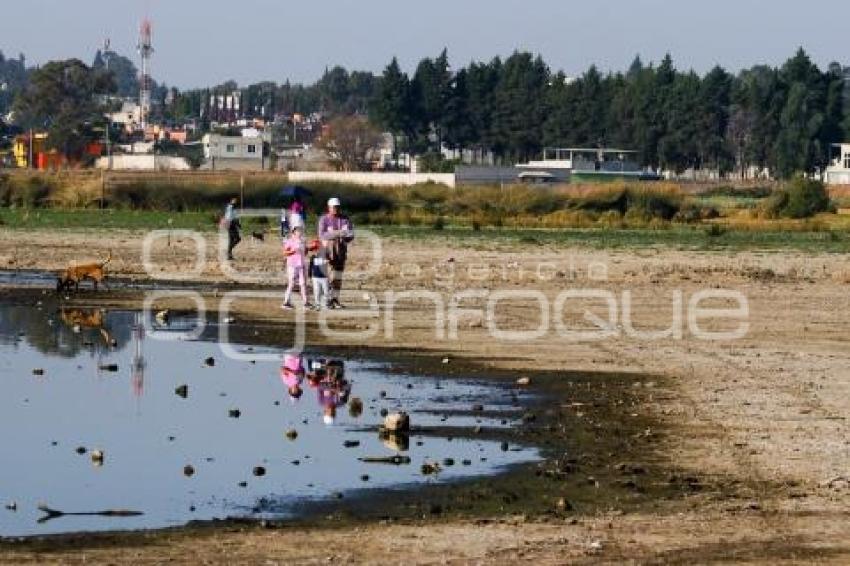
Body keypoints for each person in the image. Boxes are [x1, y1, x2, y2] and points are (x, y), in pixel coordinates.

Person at [317, 197, 354, 308]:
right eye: (334, 207)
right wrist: (338, 233)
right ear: (329, 208)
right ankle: (326, 299)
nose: (336, 209)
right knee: (328, 276)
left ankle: (335, 299)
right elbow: (322, 235)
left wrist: (341, 235)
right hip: (327, 251)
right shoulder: (323, 219)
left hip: (341, 251)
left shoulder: (345, 219)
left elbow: (350, 234)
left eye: (337, 207)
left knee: (338, 276)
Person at [282, 225, 308, 309]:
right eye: (298, 231)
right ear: (294, 232)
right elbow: (285, 253)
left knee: (303, 283)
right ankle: (286, 302)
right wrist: (292, 251)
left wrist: (310, 248)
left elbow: (304, 252)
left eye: (301, 231)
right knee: (291, 284)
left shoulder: (303, 241)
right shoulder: (290, 241)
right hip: (292, 265)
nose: (300, 232)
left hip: (301, 265)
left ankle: (305, 302)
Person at [308, 239, 330, 309]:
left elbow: (328, 257)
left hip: (324, 277)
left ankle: (326, 303)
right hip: (315, 277)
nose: (315, 251)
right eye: (313, 249)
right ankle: (317, 303)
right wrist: (309, 275)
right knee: (317, 291)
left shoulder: (324, 256)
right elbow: (310, 267)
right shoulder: (312, 257)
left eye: (317, 249)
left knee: (326, 291)